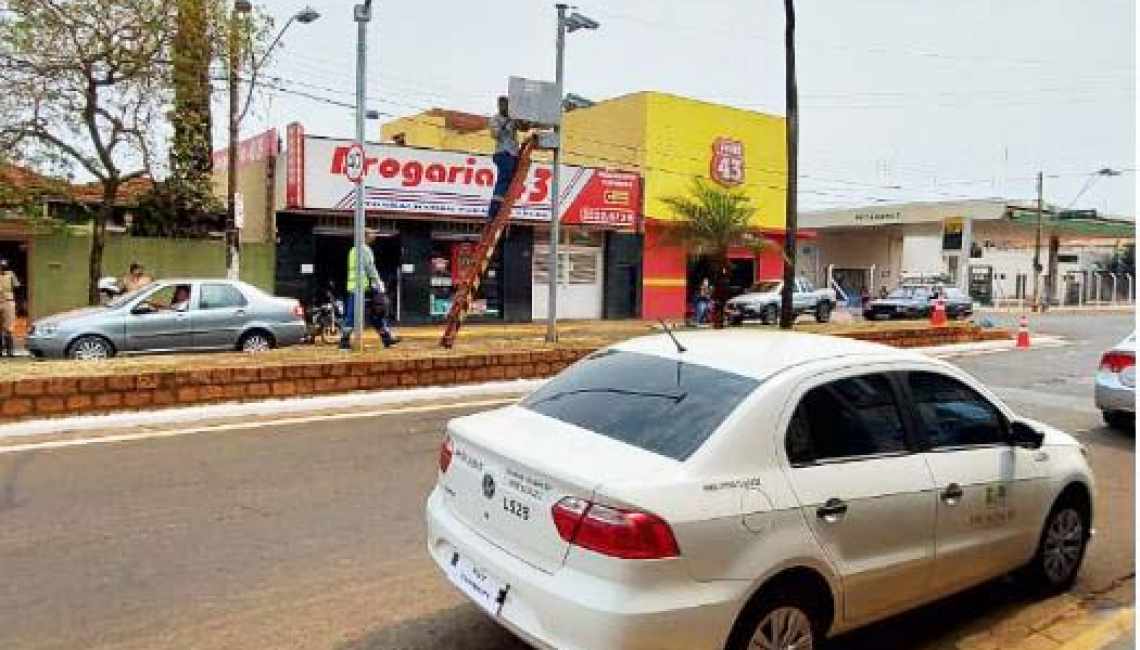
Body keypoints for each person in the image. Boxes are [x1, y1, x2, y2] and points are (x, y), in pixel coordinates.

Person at [339, 228, 400, 350]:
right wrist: (379, 284)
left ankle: (386, 338)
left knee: (373, 313)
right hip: (363, 287)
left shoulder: (353, 250)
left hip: (356, 287)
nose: (375, 235)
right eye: (372, 233)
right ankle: (344, 342)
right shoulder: (365, 250)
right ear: (365, 236)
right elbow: (371, 269)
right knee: (363, 314)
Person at [486, 96, 529, 218]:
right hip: (503, 153)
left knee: (511, 180)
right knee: (504, 179)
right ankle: (494, 211)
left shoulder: (513, 119)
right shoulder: (495, 119)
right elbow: (496, 134)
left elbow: (524, 128)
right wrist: (507, 121)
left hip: (513, 154)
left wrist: (522, 119)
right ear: (499, 106)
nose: (505, 107)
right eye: (502, 105)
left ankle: (502, 206)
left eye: (507, 105)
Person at [0, 259, 20, 357]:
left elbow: (17, 286)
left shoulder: (11, 274)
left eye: (4, 266)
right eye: (1, 266)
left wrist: (11, 276)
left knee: (9, 328)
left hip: (8, 302)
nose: (2, 267)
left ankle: (10, 351)